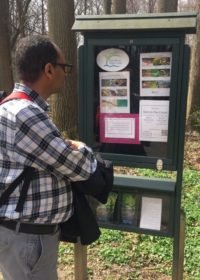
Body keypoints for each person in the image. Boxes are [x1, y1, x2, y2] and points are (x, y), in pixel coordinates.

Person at [0, 35, 97, 280]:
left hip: (21, 236)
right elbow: (80, 167)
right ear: (49, 70)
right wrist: (82, 147)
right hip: (29, 240)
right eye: (65, 68)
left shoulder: (9, 107)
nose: (67, 74)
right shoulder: (26, 115)